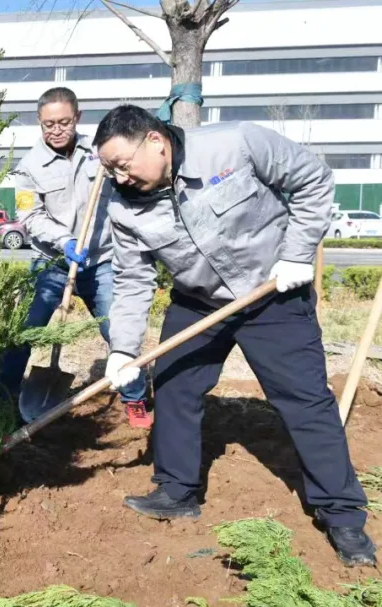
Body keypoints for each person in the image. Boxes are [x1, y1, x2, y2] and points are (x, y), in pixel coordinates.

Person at [94, 104, 375, 568]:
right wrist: (123, 349)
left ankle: (342, 515)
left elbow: (313, 179)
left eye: (123, 165)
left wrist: (297, 254)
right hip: (199, 300)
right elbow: (131, 279)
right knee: (173, 384)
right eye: (110, 170)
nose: (119, 178)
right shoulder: (124, 204)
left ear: (155, 142)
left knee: (304, 400)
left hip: (273, 292)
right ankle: (177, 491)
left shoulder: (237, 144)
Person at [0, 87, 151, 427]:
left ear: (77, 117)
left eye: (64, 122)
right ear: (39, 122)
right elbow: (29, 216)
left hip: (101, 261)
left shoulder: (100, 152)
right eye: (48, 124)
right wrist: (64, 240)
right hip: (52, 262)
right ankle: (1, 399)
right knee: (23, 331)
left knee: (117, 329)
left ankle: (135, 398)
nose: (56, 130)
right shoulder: (28, 167)